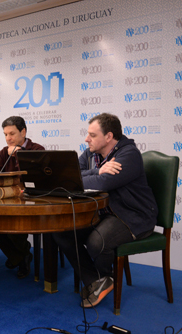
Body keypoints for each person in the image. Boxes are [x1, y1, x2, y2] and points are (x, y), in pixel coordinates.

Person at [53, 113, 157, 308]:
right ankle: (97, 281)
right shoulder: (90, 154)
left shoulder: (129, 154)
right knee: (62, 232)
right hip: (104, 214)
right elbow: (68, 177)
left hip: (133, 215)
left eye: (92, 135)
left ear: (108, 137)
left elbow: (104, 183)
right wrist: (97, 171)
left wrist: (94, 177)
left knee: (96, 242)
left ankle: (102, 279)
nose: (86, 139)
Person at [0, 116, 44, 279]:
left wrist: (19, 155)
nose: (8, 138)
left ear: (23, 132)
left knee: (12, 223)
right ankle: (21, 256)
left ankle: (20, 257)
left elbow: (35, 177)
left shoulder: (37, 149)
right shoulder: (4, 151)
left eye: (12, 134)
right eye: (5, 134)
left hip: (30, 200)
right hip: (7, 199)